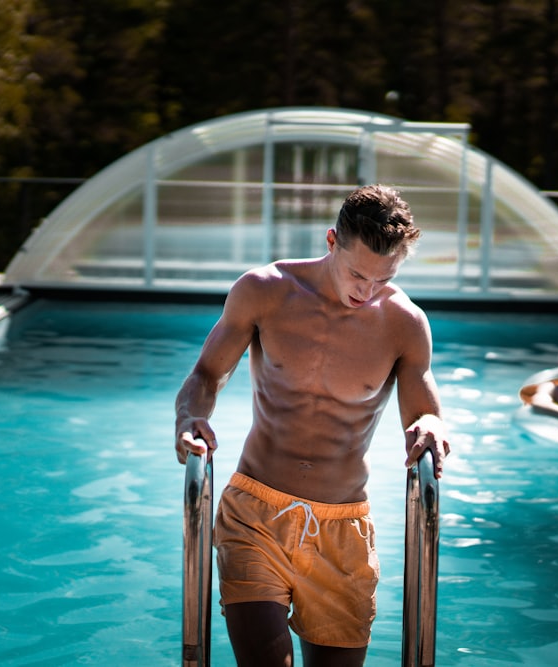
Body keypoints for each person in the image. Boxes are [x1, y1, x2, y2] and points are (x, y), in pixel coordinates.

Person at [174, 184, 449, 666]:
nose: (366, 292)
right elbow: (206, 374)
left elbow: (422, 408)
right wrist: (190, 416)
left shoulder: (404, 322)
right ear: (330, 242)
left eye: (382, 279)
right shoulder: (265, 290)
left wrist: (432, 426)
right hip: (255, 511)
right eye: (358, 274)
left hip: (343, 528)